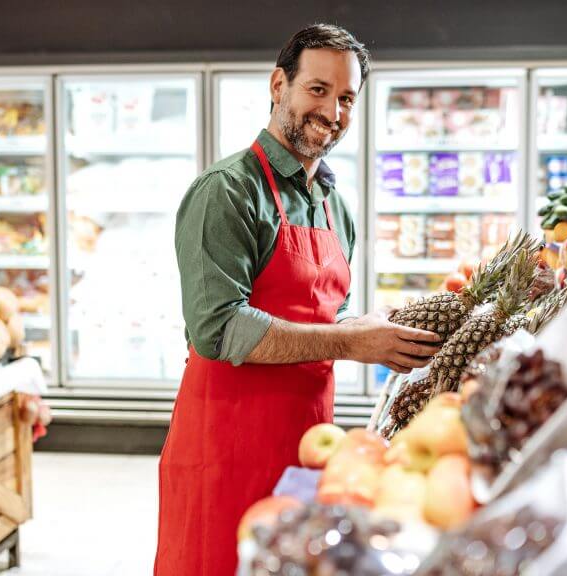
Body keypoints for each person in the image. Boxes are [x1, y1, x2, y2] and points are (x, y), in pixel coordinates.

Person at [154, 23, 442, 575]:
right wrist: (353, 341)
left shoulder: (336, 205)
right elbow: (217, 329)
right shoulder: (227, 191)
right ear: (278, 84)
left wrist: (379, 329)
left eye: (346, 98)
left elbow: (324, 317)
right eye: (318, 89)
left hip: (311, 439)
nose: (332, 111)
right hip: (226, 443)